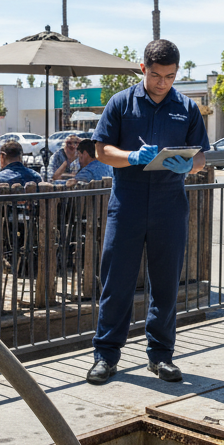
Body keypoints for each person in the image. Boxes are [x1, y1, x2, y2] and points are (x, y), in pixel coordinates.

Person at [86, 39, 209, 385]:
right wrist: (131, 157)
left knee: (166, 284)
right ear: (143, 69)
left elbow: (201, 157)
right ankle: (106, 356)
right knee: (117, 282)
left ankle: (161, 356)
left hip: (170, 205)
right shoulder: (120, 103)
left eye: (169, 76)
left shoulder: (187, 108)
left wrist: (188, 166)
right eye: (156, 75)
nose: (162, 83)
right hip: (127, 203)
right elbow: (101, 151)